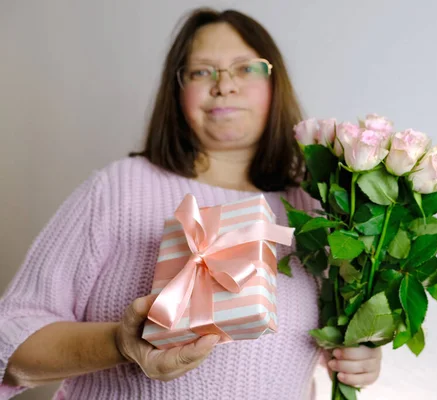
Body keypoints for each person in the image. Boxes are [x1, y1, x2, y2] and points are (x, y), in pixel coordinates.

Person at [0, 8, 382, 400]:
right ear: (178, 88)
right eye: (202, 71)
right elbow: (9, 344)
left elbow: (307, 350)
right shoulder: (119, 188)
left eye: (246, 68)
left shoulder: (312, 206)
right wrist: (121, 343)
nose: (224, 85)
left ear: (275, 82)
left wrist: (357, 356)